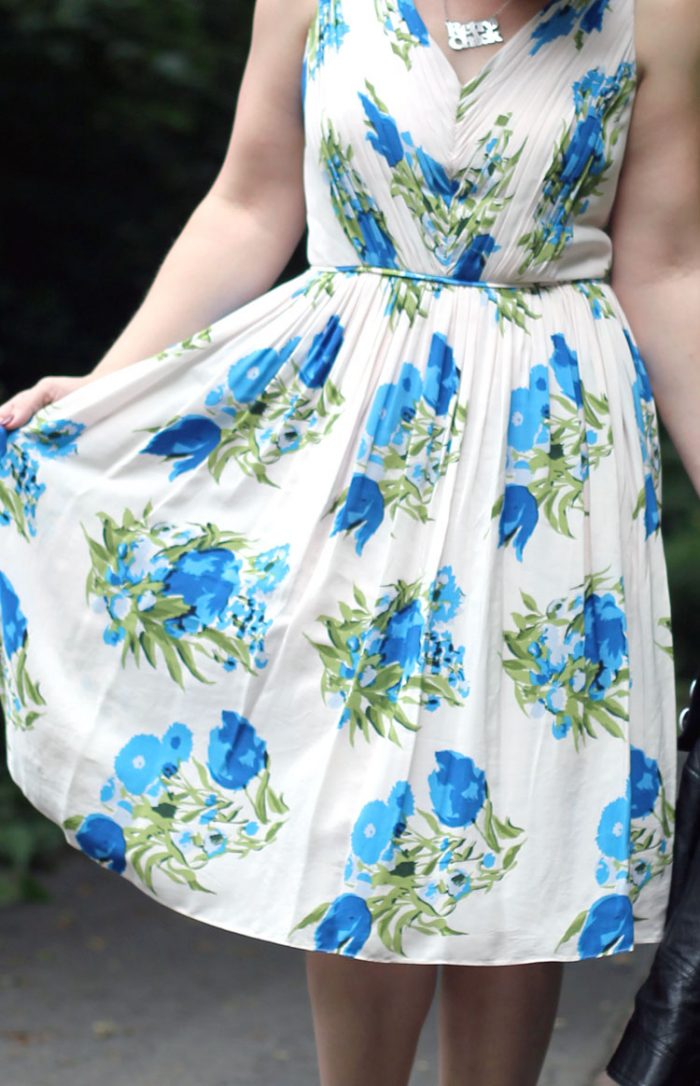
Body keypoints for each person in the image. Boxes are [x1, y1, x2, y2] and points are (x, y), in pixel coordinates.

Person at [0, 1, 698, 1083]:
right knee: (362, 792)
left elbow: (663, 268)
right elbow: (248, 202)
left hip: (550, 452)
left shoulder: (657, 15)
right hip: (358, 435)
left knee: (515, 800)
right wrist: (112, 385)